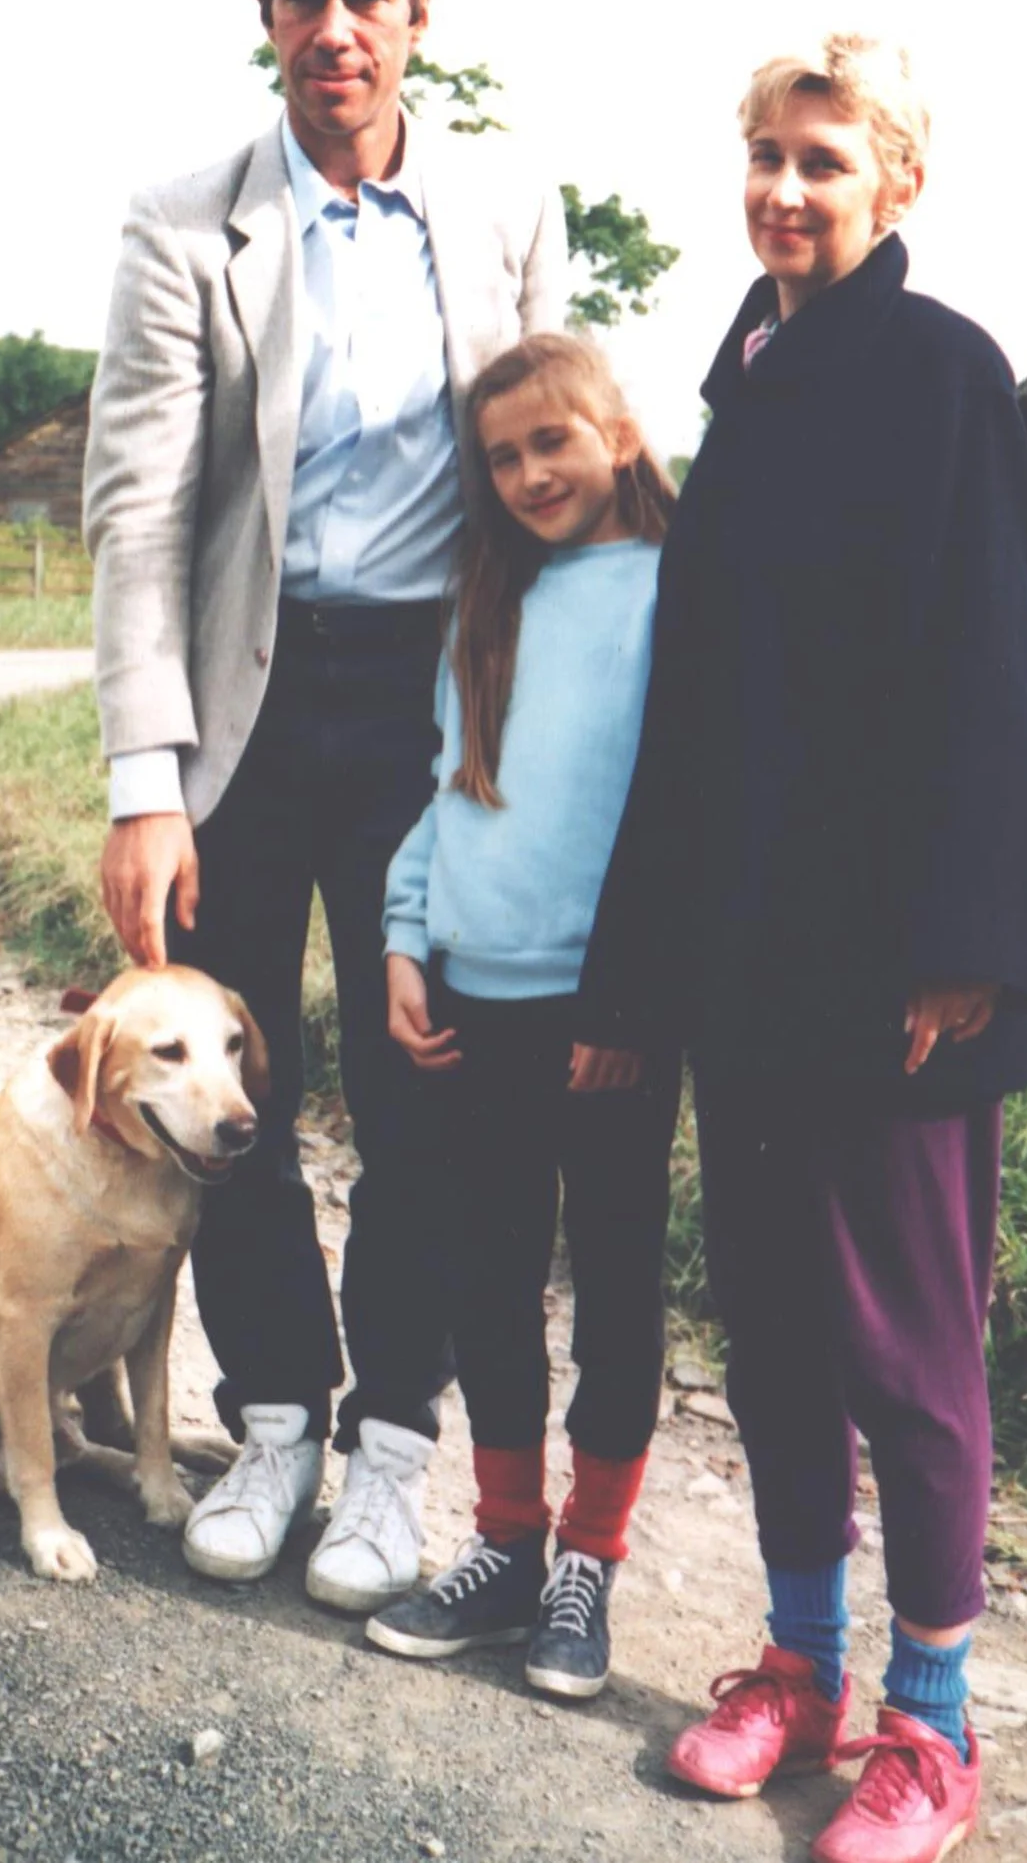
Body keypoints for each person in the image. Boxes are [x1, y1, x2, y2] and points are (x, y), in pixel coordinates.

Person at [576, 38, 1027, 1863]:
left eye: (825, 161)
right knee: (774, 1331)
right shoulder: (749, 384)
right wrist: (636, 981)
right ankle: (801, 1663)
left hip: (898, 973)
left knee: (910, 1354)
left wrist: (968, 948)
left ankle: (932, 1729)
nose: (785, 188)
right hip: (746, 966)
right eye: (766, 154)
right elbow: (690, 720)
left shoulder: (944, 376)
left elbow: (992, 678)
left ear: (897, 188)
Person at [82, 0, 569, 1614]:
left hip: (433, 719)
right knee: (232, 1099)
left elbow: (549, 476)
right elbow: (138, 513)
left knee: (414, 1082)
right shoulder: (182, 219)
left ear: (419, 16)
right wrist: (146, 781)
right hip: (246, 709)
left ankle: (391, 1452)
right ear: (267, 16)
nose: (336, 26)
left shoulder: (508, 209)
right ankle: (273, 1413)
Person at [359, 332, 680, 1701]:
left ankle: (588, 1563)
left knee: (613, 1281)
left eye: (555, 439)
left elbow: (680, 815)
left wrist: (637, 993)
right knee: (486, 1271)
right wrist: (401, 934)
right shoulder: (486, 604)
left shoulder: (678, 590)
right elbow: (451, 787)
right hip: (473, 997)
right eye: (504, 456)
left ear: (617, 431)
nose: (532, 471)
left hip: (603, 1010)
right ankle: (504, 1541)